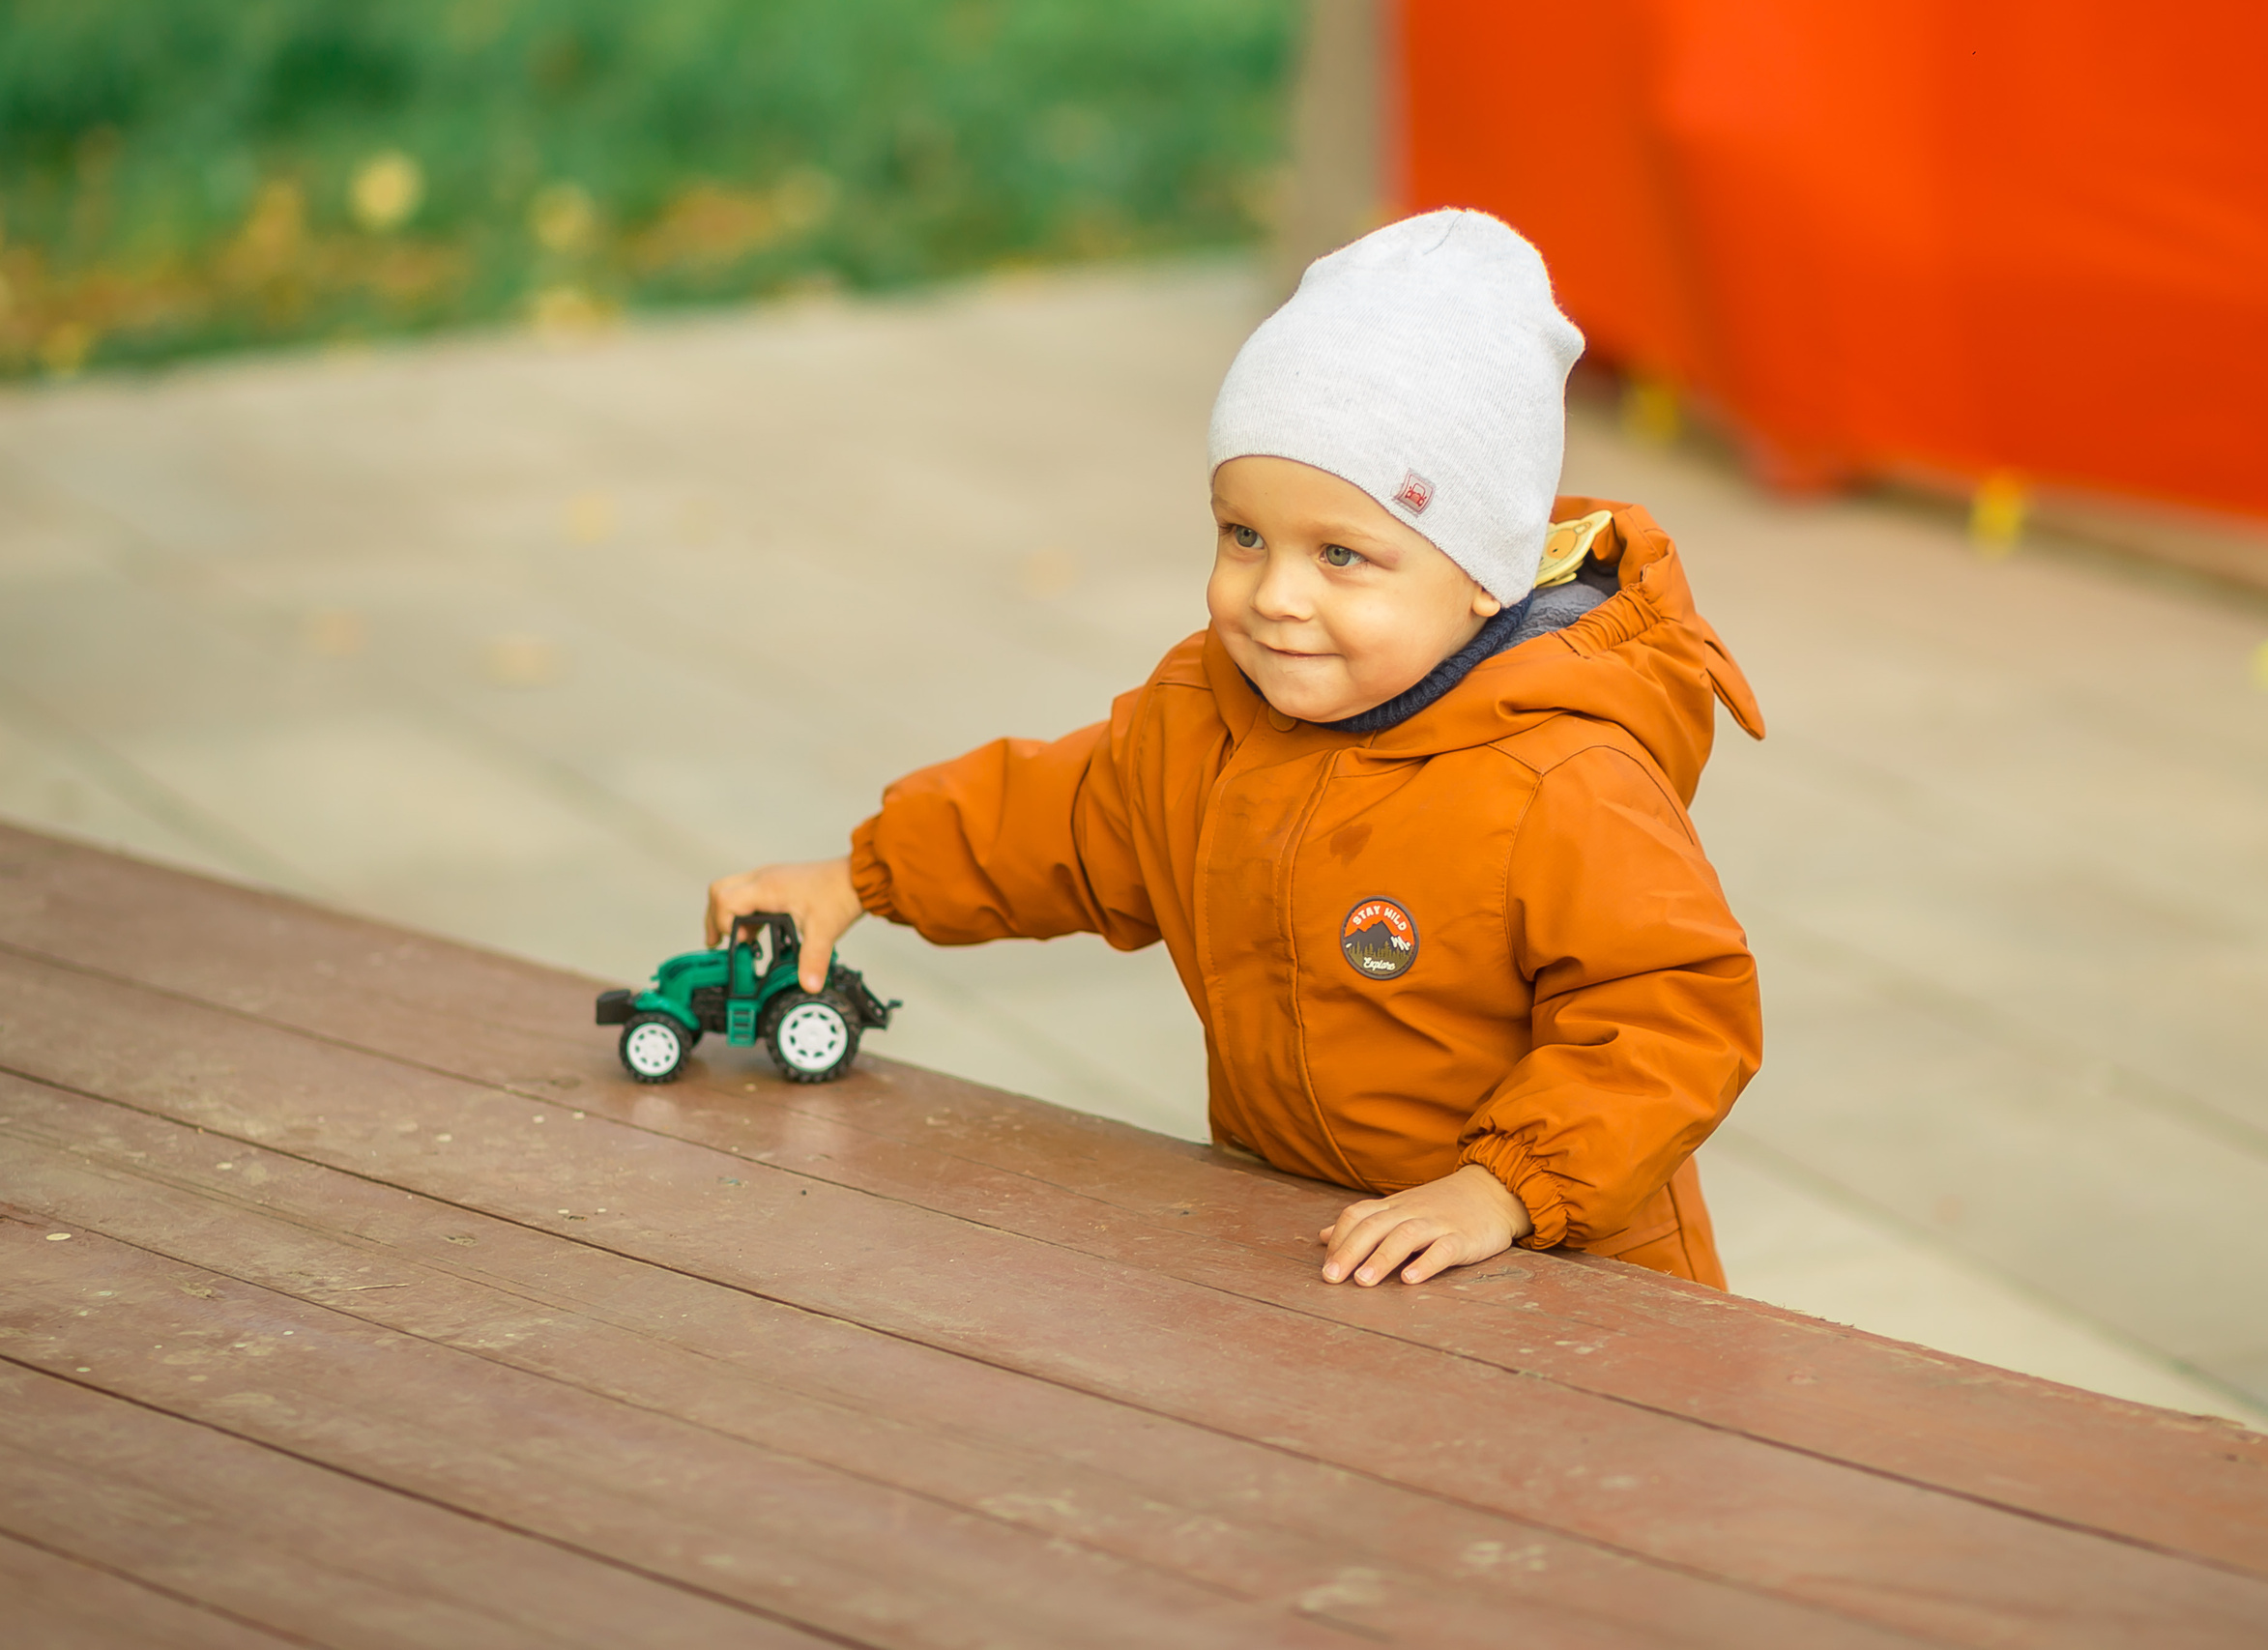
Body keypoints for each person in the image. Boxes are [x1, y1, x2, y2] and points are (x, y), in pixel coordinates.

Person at [707, 209, 1764, 1289]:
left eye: (1342, 554)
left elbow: (1669, 1012)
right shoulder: (1203, 721)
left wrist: (1501, 1188)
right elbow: (1055, 819)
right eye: (1242, 534)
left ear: (1482, 572)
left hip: (1570, 1273)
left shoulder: (1561, 779)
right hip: (1312, 1246)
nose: (1275, 596)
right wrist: (858, 877)